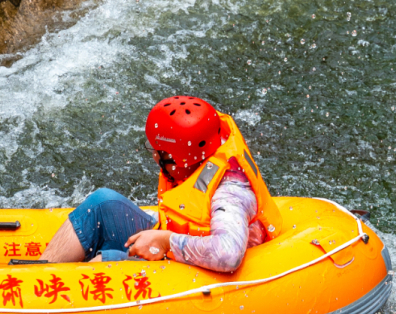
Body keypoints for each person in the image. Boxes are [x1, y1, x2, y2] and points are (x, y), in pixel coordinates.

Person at [41, 96, 281, 275]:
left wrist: (167, 242)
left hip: (200, 272)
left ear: (174, 156)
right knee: (102, 203)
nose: (153, 155)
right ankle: (37, 276)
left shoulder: (231, 191)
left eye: (157, 151)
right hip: (183, 246)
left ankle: (50, 309)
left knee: (109, 259)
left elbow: (228, 255)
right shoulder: (198, 158)